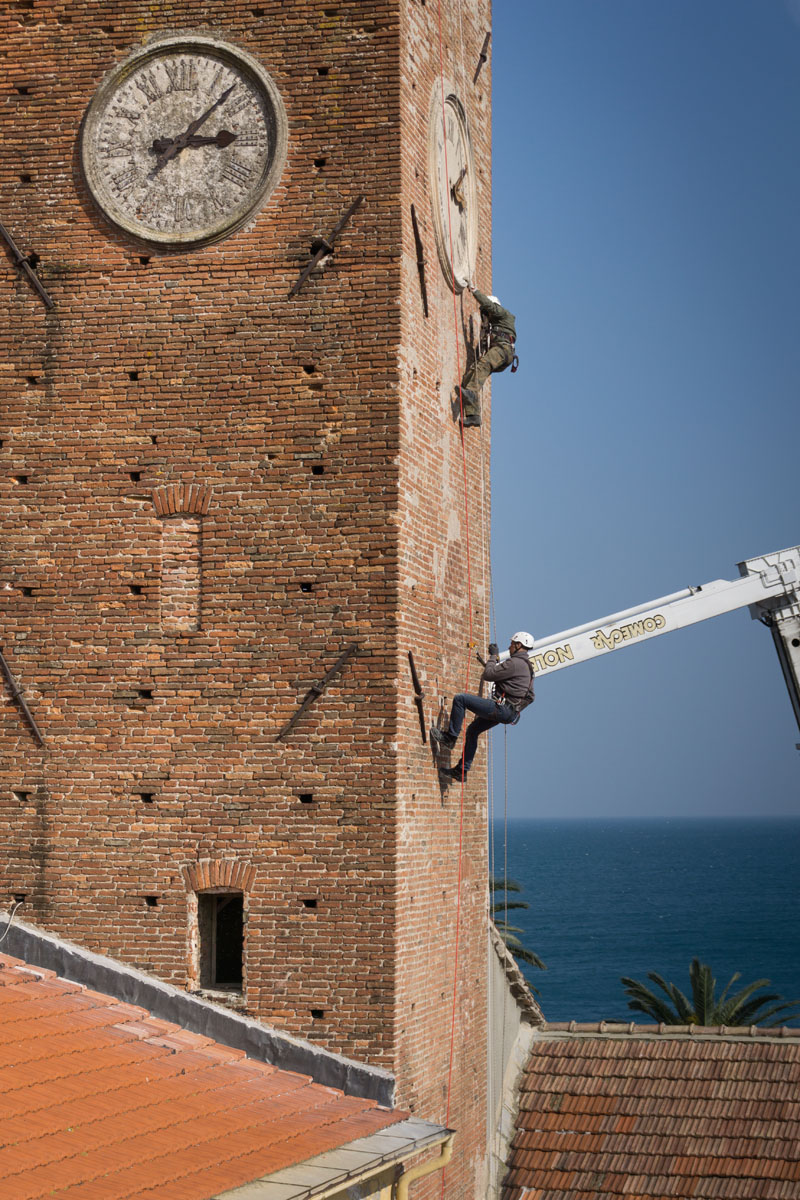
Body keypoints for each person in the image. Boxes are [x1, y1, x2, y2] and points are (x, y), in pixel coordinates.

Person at [431, 632, 535, 782]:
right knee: (473, 730)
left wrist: (493, 656)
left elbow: (488, 674)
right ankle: (461, 770)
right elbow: (531, 697)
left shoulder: (514, 663)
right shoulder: (529, 669)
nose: (509, 646)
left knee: (461, 700)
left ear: (519, 645)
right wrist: (515, 707)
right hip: (509, 713)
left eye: (512, 644)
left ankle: (450, 738)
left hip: (501, 708)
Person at [456, 279, 517, 428]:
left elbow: (490, 306)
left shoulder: (503, 314)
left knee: (483, 365)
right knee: (471, 375)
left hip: (503, 350)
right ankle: (473, 415)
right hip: (499, 353)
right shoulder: (492, 325)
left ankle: (470, 392)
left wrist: (474, 290)